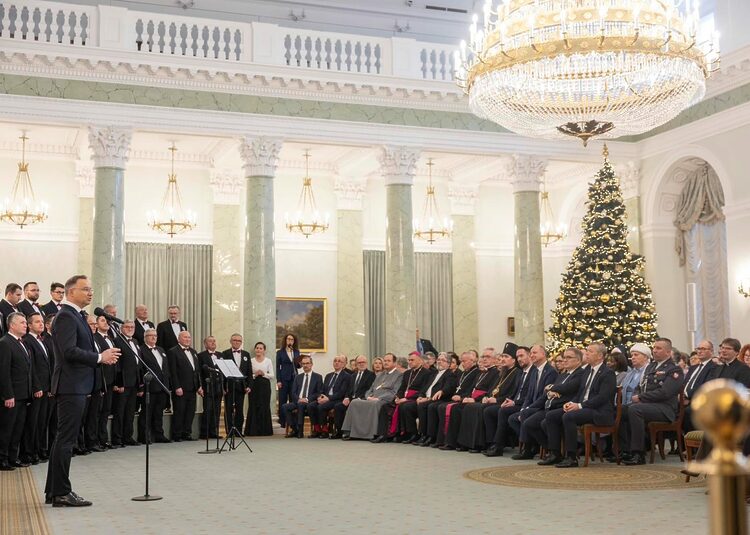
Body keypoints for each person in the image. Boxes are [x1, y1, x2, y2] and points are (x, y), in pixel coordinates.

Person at [44, 275, 119, 507]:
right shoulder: (66, 316)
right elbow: (68, 351)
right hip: (70, 386)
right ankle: (62, 493)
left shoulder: (75, 315)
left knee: (63, 439)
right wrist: (100, 357)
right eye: (85, 289)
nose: (90, 293)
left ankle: (54, 491)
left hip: (76, 385)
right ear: (71, 292)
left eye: (91, 288)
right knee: (66, 439)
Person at [539, 343, 616, 468]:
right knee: (552, 415)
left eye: (590, 351)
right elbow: (580, 392)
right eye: (587, 351)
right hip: (585, 408)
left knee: (569, 417)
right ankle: (555, 454)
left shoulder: (608, 373)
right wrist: (571, 403)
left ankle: (571, 457)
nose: (586, 354)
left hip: (599, 411)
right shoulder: (587, 371)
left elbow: (603, 398)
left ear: (600, 356)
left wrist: (579, 406)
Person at [621, 338, 683, 465]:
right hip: (648, 406)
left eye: (659, 348)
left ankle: (638, 453)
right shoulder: (651, 366)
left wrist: (641, 398)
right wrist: (638, 395)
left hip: (665, 409)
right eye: (654, 348)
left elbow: (665, 392)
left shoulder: (674, 370)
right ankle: (625, 450)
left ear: (668, 352)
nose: (654, 350)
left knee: (635, 409)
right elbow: (640, 386)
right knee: (622, 410)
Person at [521, 347, 586, 461]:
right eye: (564, 357)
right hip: (550, 405)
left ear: (578, 360)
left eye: (568, 357)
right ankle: (550, 448)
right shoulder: (563, 374)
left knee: (547, 421)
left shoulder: (580, 373)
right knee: (529, 423)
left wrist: (553, 388)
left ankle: (555, 453)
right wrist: (552, 392)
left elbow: (569, 388)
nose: (564, 360)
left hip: (563, 406)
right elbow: (551, 391)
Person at [458, 345, 521, 453]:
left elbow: (512, 394)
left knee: (484, 409)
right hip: (493, 401)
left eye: (506, 356)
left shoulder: (517, 373)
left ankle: (485, 443)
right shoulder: (503, 372)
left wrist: (496, 400)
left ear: (513, 360)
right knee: (472, 407)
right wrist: (487, 397)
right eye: (502, 356)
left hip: (503, 402)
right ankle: (471, 443)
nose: (502, 359)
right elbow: (492, 389)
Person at [0, 313, 39, 470]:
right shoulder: (5, 343)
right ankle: (2, 459)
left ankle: (12, 457)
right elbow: (3, 372)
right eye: (22, 322)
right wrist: (7, 395)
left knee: (17, 429)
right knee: (6, 429)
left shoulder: (22, 343)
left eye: (25, 322)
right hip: (12, 396)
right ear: (12, 325)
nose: (25, 325)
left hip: (23, 395)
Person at [441, 352, 501, 451]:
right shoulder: (482, 372)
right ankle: (457, 442)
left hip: (482, 399)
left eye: (488, 357)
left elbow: (490, 390)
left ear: (495, 359)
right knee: (457, 408)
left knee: (470, 408)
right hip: (473, 398)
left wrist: (475, 399)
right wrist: (465, 397)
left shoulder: (496, 372)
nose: (484, 359)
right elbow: (472, 389)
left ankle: (476, 444)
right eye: (483, 356)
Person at [341, 353, 402, 440]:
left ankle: (372, 434)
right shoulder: (380, 374)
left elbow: (394, 392)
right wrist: (368, 396)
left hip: (385, 399)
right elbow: (370, 389)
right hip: (372, 398)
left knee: (375, 404)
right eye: (385, 360)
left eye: (389, 361)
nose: (386, 363)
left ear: (394, 363)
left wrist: (379, 398)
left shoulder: (399, 375)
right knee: (354, 402)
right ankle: (349, 431)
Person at [376, 352, 430, 443]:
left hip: (415, 399)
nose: (409, 362)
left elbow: (424, 390)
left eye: (412, 360)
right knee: (386, 406)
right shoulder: (407, 373)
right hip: (404, 398)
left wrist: (407, 399)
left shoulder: (427, 373)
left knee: (405, 407)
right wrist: (398, 397)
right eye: (409, 360)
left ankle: (411, 434)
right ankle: (384, 434)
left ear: (420, 361)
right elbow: (402, 388)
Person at [23, 312, 53, 464]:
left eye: (42, 322)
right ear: (29, 325)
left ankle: (41, 450)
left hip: (46, 388)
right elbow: (31, 367)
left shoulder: (43, 340)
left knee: (42, 422)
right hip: (37, 388)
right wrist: (37, 387)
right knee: (32, 423)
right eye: (37, 322)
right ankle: (29, 453)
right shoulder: (27, 341)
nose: (41, 324)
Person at [168, 331, 203, 442]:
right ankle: (177, 434)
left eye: (189, 337)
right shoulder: (173, 352)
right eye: (185, 337)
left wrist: (199, 386)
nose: (188, 339)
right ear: (179, 339)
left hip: (192, 387)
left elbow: (196, 371)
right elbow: (172, 371)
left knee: (190, 412)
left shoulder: (193, 352)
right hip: (180, 388)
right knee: (179, 411)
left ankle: (186, 433)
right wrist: (176, 386)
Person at [112, 320, 142, 447]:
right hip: (123, 383)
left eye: (132, 327)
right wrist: (119, 383)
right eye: (127, 327)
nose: (130, 328)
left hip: (134, 382)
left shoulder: (135, 341)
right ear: (121, 328)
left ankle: (127, 437)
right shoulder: (118, 341)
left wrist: (140, 384)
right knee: (120, 411)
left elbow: (138, 364)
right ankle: (117, 438)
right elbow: (117, 364)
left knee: (130, 412)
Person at [138, 328, 171, 443]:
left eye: (155, 336)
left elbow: (165, 369)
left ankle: (158, 435)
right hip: (149, 387)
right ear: (145, 337)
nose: (153, 338)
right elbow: (140, 369)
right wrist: (141, 386)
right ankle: (144, 436)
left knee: (158, 413)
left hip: (162, 386)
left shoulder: (161, 349)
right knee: (146, 413)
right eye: (151, 335)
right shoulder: (141, 350)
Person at [308, 354, 351, 438]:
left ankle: (325, 430)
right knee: (311, 406)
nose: (337, 363)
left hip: (337, 399)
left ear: (344, 364)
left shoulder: (346, 376)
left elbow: (341, 392)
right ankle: (317, 429)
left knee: (321, 407)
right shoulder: (328, 376)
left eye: (339, 361)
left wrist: (328, 398)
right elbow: (323, 390)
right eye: (335, 361)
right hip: (326, 398)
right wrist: (320, 397)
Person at [332, 355, 375, 439]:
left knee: (354, 404)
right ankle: (340, 431)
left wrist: (359, 398)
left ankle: (351, 432)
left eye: (363, 362)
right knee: (338, 406)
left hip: (362, 400)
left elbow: (369, 390)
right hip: (351, 399)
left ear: (366, 363)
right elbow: (348, 389)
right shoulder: (352, 376)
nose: (361, 364)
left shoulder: (371, 375)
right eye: (359, 362)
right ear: (356, 364)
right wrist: (347, 397)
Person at [281, 355, 323, 438]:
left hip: (310, 402)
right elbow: (293, 392)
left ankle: (300, 431)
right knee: (284, 407)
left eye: (307, 363)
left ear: (311, 364)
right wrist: (299, 399)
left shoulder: (318, 377)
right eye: (303, 364)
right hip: (298, 401)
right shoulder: (298, 377)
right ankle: (295, 429)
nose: (305, 365)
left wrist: (307, 399)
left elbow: (319, 392)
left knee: (301, 405)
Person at [92, 315, 116, 449]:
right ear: (96, 324)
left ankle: (103, 439)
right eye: (102, 320)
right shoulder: (95, 338)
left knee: (106, 411)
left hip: (111, 380)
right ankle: (95, 440)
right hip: (100, 380)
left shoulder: (111, 338)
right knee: (97, 412)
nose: (106, 323)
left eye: (107, 321)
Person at [682, 340, 717, 433]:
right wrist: (681, 395)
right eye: (698, 348)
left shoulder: (713, 367)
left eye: (703, 349)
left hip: (699, 400)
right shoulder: (693, 367)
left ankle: (692, 445)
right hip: (683, 399)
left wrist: (686, 395)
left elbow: (705, 386)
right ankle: (681, 444)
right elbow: (685, 383)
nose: (700, 351)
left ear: (711, 351)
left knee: (688, 412)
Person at [222, 334, 251, 434]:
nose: (237, 342)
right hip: (229, 387)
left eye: (239, 341)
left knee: (239, 410)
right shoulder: (225, 353)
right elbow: (222, 372)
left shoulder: (246, 354)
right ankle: (229, 431)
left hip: (241, 387)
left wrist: (249, 386)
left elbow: (249, 372)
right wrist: (223, 387)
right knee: (228, 409)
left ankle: (238, 430)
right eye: (234, 340)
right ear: (230, 341)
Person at [197, 336, 224, 440]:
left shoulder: (220, 355)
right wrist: (200, 386)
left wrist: (224, 387)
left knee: (216, 411)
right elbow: (199, 372)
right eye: (210, 341)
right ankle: (205, 433)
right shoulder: (201, 356)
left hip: (218, 386)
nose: (213, 343)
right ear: (205, 344)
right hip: (207, 386)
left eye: (214, 341)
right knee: (208, 409)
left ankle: (214, 432)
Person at [245, 342, 274, 436]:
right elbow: (248, 375)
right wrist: (255, 375)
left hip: (265, 385)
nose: (258, 350)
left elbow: (272, 375)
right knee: (253, 406)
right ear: (255, 349)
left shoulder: (268, 361)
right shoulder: (251, 360)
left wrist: (264, 374)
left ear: (264, 350)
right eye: (257, 348)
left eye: (261, 348)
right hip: (254, 385)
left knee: (264, 406)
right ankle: (252, 430)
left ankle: (265, 431)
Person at [276, 333, 300, 428]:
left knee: (293, 399)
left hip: (294, 378)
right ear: (285, 340)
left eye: (292, 339)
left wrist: (301, 363)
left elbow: (297, 365)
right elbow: (277, 367)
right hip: (283, 378)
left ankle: (293, 422)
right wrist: (278, 380)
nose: (290, 341)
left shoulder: (296, 351)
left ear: (294, 341)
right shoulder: (280, 352)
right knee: (282, 400)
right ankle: (282, 421)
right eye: (288, 339)